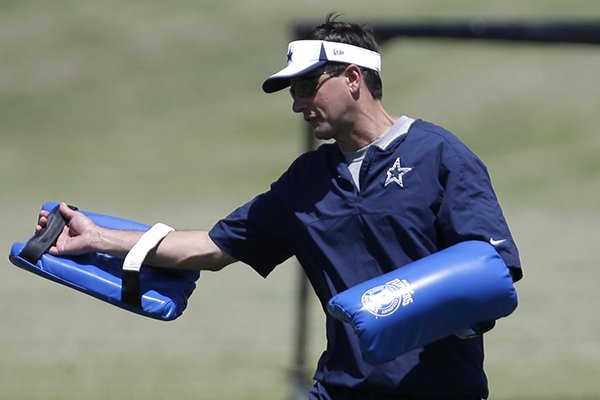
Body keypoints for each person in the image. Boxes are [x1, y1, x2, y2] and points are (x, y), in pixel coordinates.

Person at [38, 14, 522, 400]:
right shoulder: (305, 181)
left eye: (308, 86)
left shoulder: (439, 155)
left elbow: (492, 268)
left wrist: (421, 314)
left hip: (439, 392)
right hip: (341, 390)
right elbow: (211, 247)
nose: (297, 103)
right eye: (293, 91)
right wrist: (97, 237)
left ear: (353, 78)